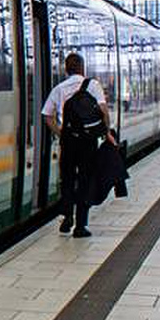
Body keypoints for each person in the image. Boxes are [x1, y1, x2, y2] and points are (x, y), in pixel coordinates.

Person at [42, 52, 110, 239]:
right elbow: (103, 111)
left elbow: (47, 116)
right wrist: (107, 133)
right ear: (82, 68)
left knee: (68, 180)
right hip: (88, 141)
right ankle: (81, 226)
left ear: (66, 69)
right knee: (85, 180)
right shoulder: (93, 85)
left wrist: (60, 133)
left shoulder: (59, 88)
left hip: (69, 141)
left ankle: (67, 217)